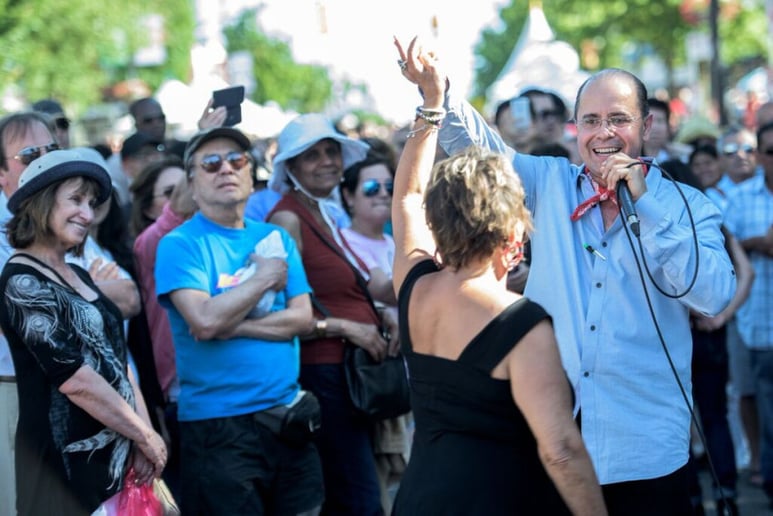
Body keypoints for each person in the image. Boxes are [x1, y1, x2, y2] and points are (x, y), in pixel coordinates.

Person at [395, 36, 736, 514]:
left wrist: (648, 206)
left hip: (647, 452)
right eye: (591, 121)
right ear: (576, 128)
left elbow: (713, 296)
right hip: (551, 450)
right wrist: (439, 93)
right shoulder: (549, 181)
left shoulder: (689, 206)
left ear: (647, 125)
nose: (604, 134)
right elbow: (478, 145)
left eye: (618, 120)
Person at [389, 39, 607, 516]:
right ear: (512, 226)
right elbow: (561, 450)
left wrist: (431, 103)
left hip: (420, 498)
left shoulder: (416, 287)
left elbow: (406, 197)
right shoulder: (522, 324)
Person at [155, 127, 323, 515]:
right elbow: (205, 321)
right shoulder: (180, 245)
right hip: (219, 428)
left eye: (237, 161)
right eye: (211, 163)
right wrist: (265, 277)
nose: (226, 169)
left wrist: (235, 324)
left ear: (251, 175)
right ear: (192, 184)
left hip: (288, 417)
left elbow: (302, 319)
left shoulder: (276, 238)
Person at [0, 149, 166, 514]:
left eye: (92, 203)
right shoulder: (20, 280)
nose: (88, 214)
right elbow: (74, 379)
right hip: (65, 476)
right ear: (40, 203)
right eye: (75, 200)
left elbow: (117, 360)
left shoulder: (81, 273)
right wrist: (145, 435)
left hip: (118, 464)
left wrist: (143, 435)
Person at [267, 113, 399, 515]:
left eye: (331, 151)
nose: (326, 161)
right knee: (358, 498)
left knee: (358, 492)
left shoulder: (323, 211)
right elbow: (279, 310)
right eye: (312, 155)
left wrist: (380, 314)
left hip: (345, 373)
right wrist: (347, 328)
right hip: (322, 372)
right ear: (291, 167)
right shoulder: (288, 218)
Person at [661, 159, 752, 515]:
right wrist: (722, 315)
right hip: (709, 337)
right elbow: (745, 272)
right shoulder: (707, 218)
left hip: (680, 338)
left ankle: (693, 499)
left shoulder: (667, 221)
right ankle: (727, 494)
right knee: (713, 417)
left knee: (681, 422)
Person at [0, 110, 59, 515]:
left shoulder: (69, 215)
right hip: (11, 391)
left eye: (51, 150)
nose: (42, 160)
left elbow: (125, 296)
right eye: (27, 154)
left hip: (69, 394)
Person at [724, 120, 773, 509]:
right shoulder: (741, 198)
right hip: (754, 317)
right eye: (770, 150)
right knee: (754, 395)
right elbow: (729, 249)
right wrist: (761, 242)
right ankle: (761, 462)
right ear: (758, 156)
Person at [128, 155, 186, 237]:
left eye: (187, 188)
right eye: (170, 192)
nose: (185, 197)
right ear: (148, 210)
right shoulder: (146, 246)